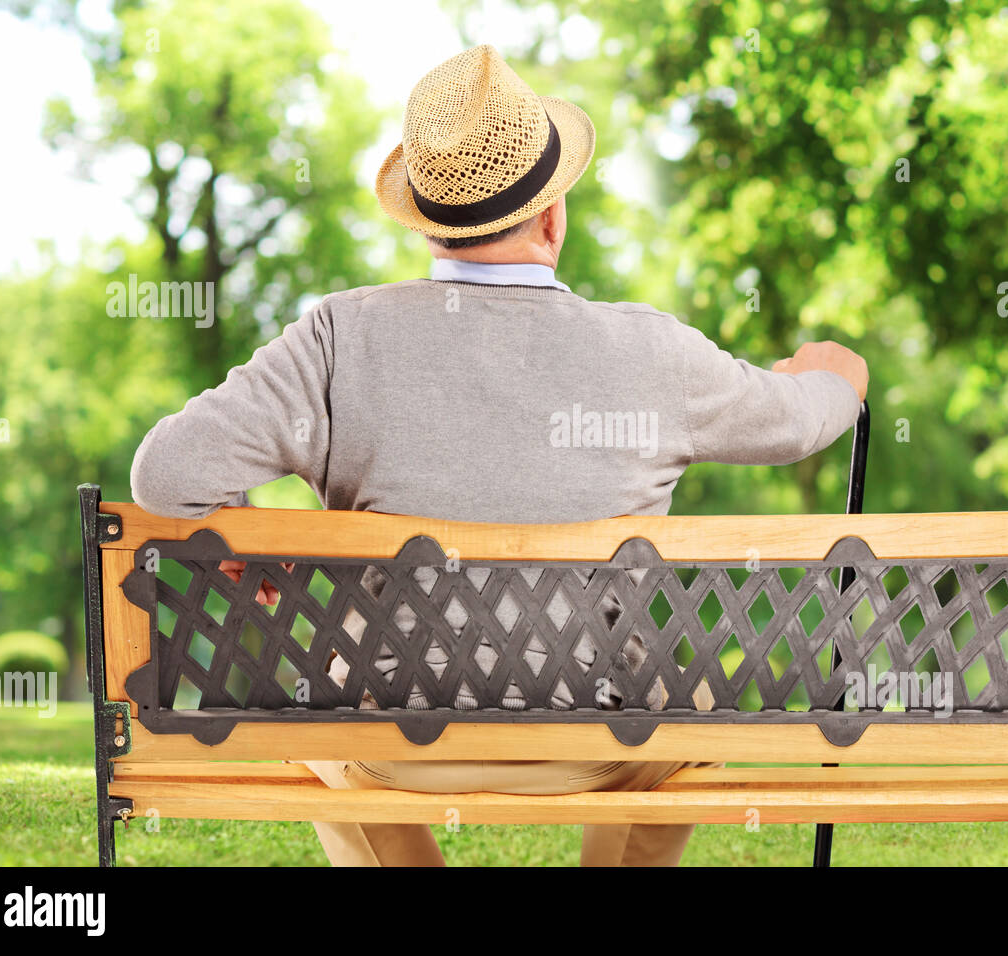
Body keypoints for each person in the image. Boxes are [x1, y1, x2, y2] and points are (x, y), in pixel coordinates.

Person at [130, 44, 868, 866]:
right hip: (604, 728)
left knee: (316, 715)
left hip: (392, 734)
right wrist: (834, 375)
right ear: (552, 218)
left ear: (426, 219)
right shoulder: (654, 353)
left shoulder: (340, 338)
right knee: (691, 721)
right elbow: (804, 423)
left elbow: (165, 475)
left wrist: (245, 538)